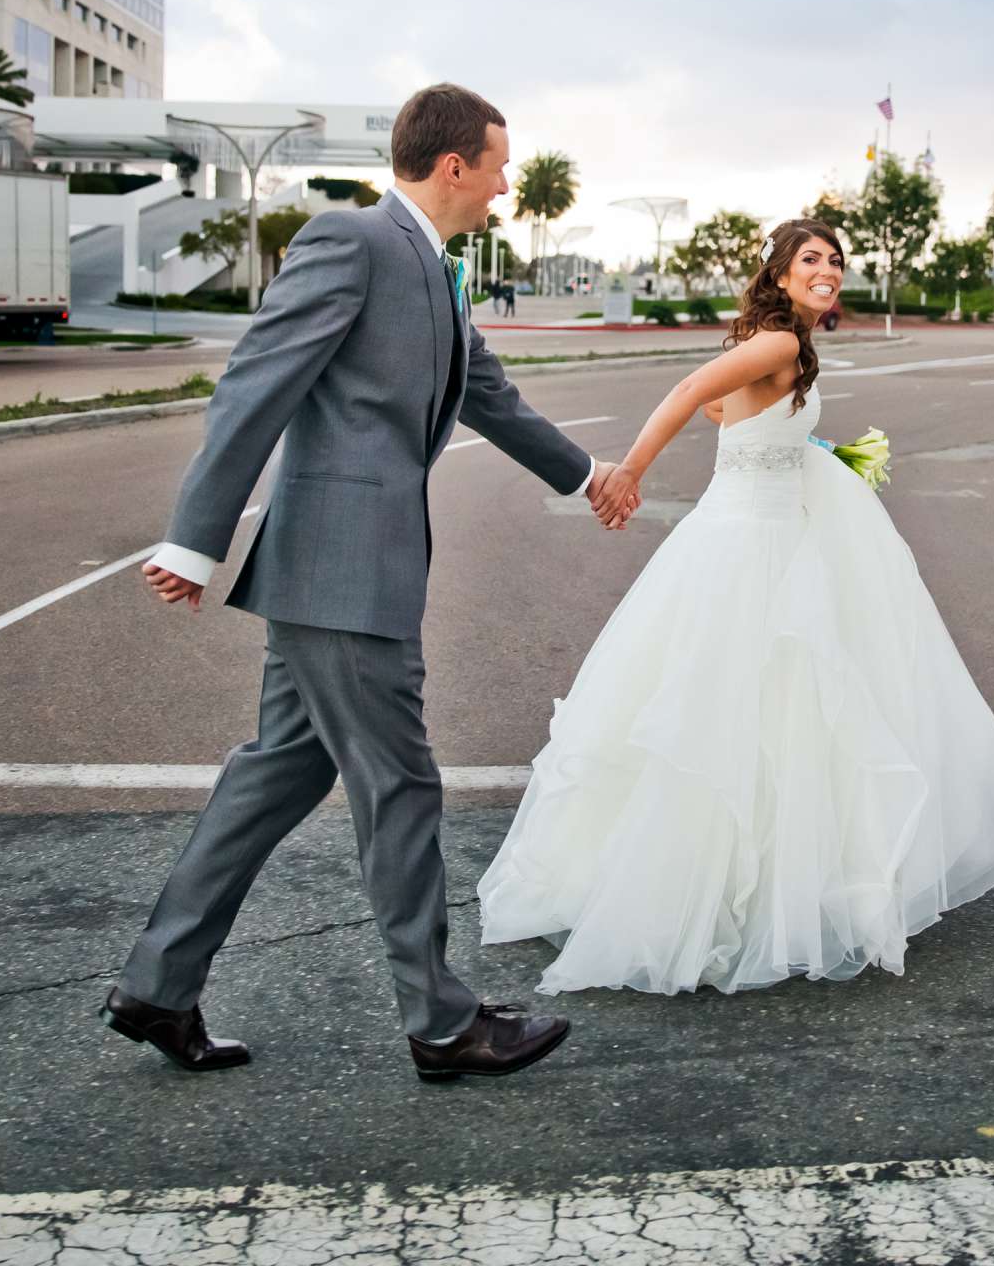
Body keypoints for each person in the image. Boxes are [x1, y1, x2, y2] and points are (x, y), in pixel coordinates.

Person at [110, 83, 628, 1082]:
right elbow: (257, 380)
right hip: (343, 574)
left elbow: (488, 395)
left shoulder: (434, 270)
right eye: (499, 164)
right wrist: (193, 540)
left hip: (338, 577)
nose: (506, 183)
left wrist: (586, 476)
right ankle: (443, 1024)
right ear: (453, 167)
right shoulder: (352, 243)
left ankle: (158, 986)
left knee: (274, 777)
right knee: (400, 788)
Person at [478, 217, 994, 995]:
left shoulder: (788, 348)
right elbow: (689, 393)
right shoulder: (778, 345)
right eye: (811, 258)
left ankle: (746, 886)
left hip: (763, 537)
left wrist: (802, 451)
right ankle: (726, 896)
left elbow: (732, 416)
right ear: (779, 276)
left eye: (836, 259)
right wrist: (628, 473)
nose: (829, 268)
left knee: (755, 721)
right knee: (754, 719)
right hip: (749, 548)